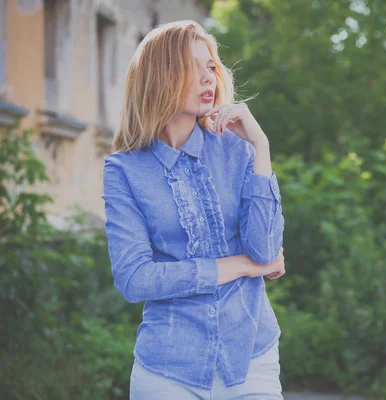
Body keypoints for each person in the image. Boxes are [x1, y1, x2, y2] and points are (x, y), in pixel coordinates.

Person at [101, 20, 286, 399]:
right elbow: (135, 279)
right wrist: (241, 267)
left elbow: (267, 251)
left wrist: (261, 146)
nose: (209, 78)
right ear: (160, 75)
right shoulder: (124, 170)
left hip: (251, 362)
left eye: (211, 66)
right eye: (194, 66)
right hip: (169, 370)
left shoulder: (239, 149)